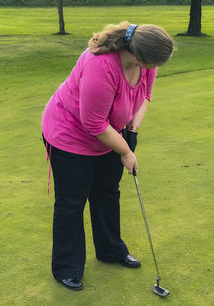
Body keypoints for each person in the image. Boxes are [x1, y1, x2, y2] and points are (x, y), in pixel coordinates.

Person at [42, 21, 174, 291]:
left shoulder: (146, 61)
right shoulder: (99, 66)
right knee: (71, 202)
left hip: (110, 133)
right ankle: (67, 266)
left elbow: (145, 95)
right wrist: (125, 151)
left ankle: (111, 250)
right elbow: (93, 124)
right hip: (70, 135)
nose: (152, 69)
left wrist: (132, 130)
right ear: (137, 55)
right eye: (150, 64)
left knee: (107, 192)